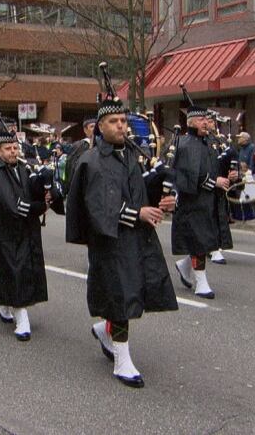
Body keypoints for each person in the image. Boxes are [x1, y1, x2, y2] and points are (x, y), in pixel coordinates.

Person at [66, 95, 178, 388]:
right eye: (114, 121)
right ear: (99, 126)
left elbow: (135, 190)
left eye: (124, 121)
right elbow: (98, 208)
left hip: (134, 237)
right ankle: (122, 361)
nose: (121, 126)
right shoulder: (92, 161)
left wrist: (159, 200)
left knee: (136, 289)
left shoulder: (128, 155)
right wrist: (136, 213)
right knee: (121, 295)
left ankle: (105, 330)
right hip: (109, 241)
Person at [0, 132, 50, 341]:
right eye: (8, 149)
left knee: (18, 270)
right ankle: (22, 318)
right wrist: (40, 207)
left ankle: (2, 303)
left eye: (15, 148)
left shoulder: (23, 169)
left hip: (25, 228)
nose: (13, 152)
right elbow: (14, 205)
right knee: (14, 270)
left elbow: (32, 195)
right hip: (4, 230)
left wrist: (45, 187)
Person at [172, 106, 233, 299]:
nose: (205, 123)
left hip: (209, 200)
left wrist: (228, 171)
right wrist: (215, 182)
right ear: (190, 122)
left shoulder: (210, 144)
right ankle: (201, 282)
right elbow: (187, 175)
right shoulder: (183, 144)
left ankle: (184, 266)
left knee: (207, 239)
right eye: (200, 120)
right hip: (192, 202)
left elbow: (214, 167)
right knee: (199, 240)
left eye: (206, 120)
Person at [206, 111, 239, 265]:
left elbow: (225, 161)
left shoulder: (221, 140)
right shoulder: (200, 141)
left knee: (220, 215)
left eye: (213, 121)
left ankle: (216, 245)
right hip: (206, 185)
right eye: (209, 121)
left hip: (220, 185)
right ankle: (212, 248)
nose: (212, 124)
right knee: (208, 217)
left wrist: (231, 174)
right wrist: (213, 179)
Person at [65, 118, 96, 192]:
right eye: (92, 126)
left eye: (96, 127)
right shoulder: (78, 146)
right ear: (85, 130)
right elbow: (70, 166)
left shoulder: (103, 146)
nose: (95, 129)